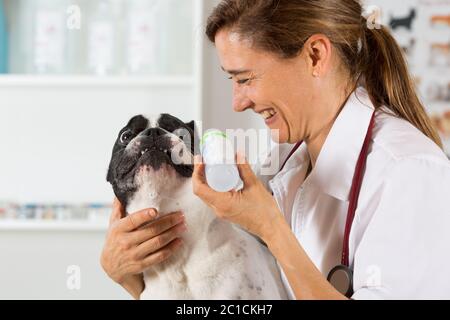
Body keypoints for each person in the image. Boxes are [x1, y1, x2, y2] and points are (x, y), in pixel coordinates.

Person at [101, 0, 450, 299]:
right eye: (231, 80)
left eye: (246, 78)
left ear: (315, 56)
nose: (237, 103)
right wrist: (130, 276)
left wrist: (270, 227)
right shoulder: (283, 162)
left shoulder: (409, 171)